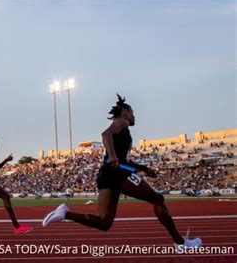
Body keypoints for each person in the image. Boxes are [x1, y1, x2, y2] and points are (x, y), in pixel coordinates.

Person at [42, 94, 201, 251]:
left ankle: (65, 213)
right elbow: (105, 134)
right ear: (125, 112)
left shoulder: (123, 132)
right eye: (133, 113)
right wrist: (111, 154)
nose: (134, 118)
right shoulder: (121, 122)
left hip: (106, 175)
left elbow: (125, 160)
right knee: (157, 198)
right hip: (117, 173)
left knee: (104, 223)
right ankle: (181, 244)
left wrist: (144, 169)